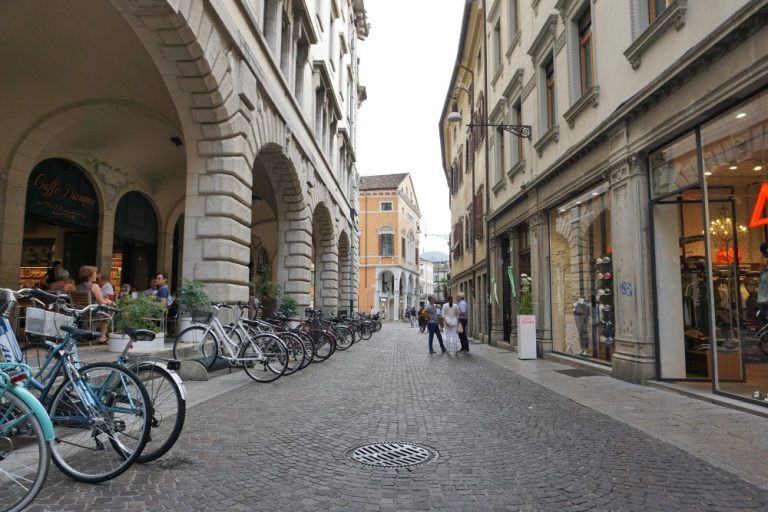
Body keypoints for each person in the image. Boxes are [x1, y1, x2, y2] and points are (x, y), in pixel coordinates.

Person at [77, 265, 112, 343]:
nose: (96, 275)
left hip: (80, 312)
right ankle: (102, 336)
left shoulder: (78, 286)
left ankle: (98, 334)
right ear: (90, 276)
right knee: (109, 312)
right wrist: (109, 302)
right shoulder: (94, 286)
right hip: (91, 312)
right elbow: (101, 302)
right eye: (95, 273)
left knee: (105, 312)